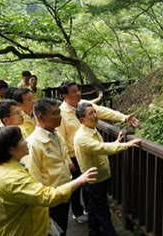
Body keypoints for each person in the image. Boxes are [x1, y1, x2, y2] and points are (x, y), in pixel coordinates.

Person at [0, 126, 98, 236]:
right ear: (10, 149)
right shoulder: (12, 179)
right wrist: (80, 180)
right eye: (21, 139)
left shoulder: (0, 168)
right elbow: (48, 197)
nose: (26, 141)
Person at [57, 81, 139, 224]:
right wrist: (67, 161)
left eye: (78, 90)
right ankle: (77, 212)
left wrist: (124, 118)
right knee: (76, 186)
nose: (78, 94)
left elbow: (103, 111)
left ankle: (90, 212)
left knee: (89, 184)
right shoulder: (61, 113)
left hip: (89, 150)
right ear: (65, 95)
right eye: (73, 92)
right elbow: (60, 139)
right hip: (72, 155)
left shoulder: (84, 104)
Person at [74, 102, 141, 236]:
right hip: (94, 181)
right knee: (103, 212)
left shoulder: (91, 129)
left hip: (99, 177)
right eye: (90, 114)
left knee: (93, 207)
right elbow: (102, 148)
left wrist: (116, 142)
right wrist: (126, 145)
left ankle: (94, 233)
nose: (95, 115)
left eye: (94, 112)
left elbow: (102, 146)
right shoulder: (82, 137)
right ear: (82, 119)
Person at [27, 98, 79, 236]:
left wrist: (69, 163)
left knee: (61, 230)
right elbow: (34, 177)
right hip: (50, 198)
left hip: (63, 191)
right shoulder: (33, 143)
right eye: (55, 114)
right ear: (41, 118)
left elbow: (63, 154)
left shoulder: (55, 134)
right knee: (50, 235)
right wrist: (44, 204)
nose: (60, 117)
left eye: (59, 113)